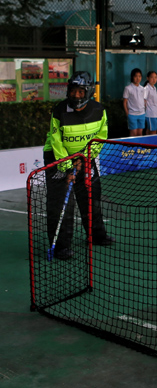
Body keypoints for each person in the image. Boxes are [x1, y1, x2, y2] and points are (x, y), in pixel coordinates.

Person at [43, 72, 114, 260]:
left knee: (92, 195)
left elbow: (100, 137)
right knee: (61, 204)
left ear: (88, 92)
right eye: (73, 91)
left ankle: (97, 236)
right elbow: (56, 142)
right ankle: (60, 247)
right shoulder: (59, 111)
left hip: (84, 159)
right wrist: (67, 167)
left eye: (80, 92)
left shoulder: (99, 110)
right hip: (58, 159)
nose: (76, 96)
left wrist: (85, 158)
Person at [123, 68, 145, 136]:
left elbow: (143, 100)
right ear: (132, 77)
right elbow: (125, 102)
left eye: (139, 76)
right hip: (132, 114)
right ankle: (132, 147)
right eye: (136, 76)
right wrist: (127, 113)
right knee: (133, 133)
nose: (138, 78)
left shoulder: (142, 88)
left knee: (140, 133)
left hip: (142, 113)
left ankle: (140, 147)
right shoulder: (128, 88)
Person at [144, 71, 157, 135]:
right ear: (147, 78)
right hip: (150, 114)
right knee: (153, 132)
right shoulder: (146, 88)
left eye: (155, 77)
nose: (154, 79)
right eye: (152, 77)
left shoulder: (154, 88)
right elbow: (144, 100)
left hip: (155, 113)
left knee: (150, 130)